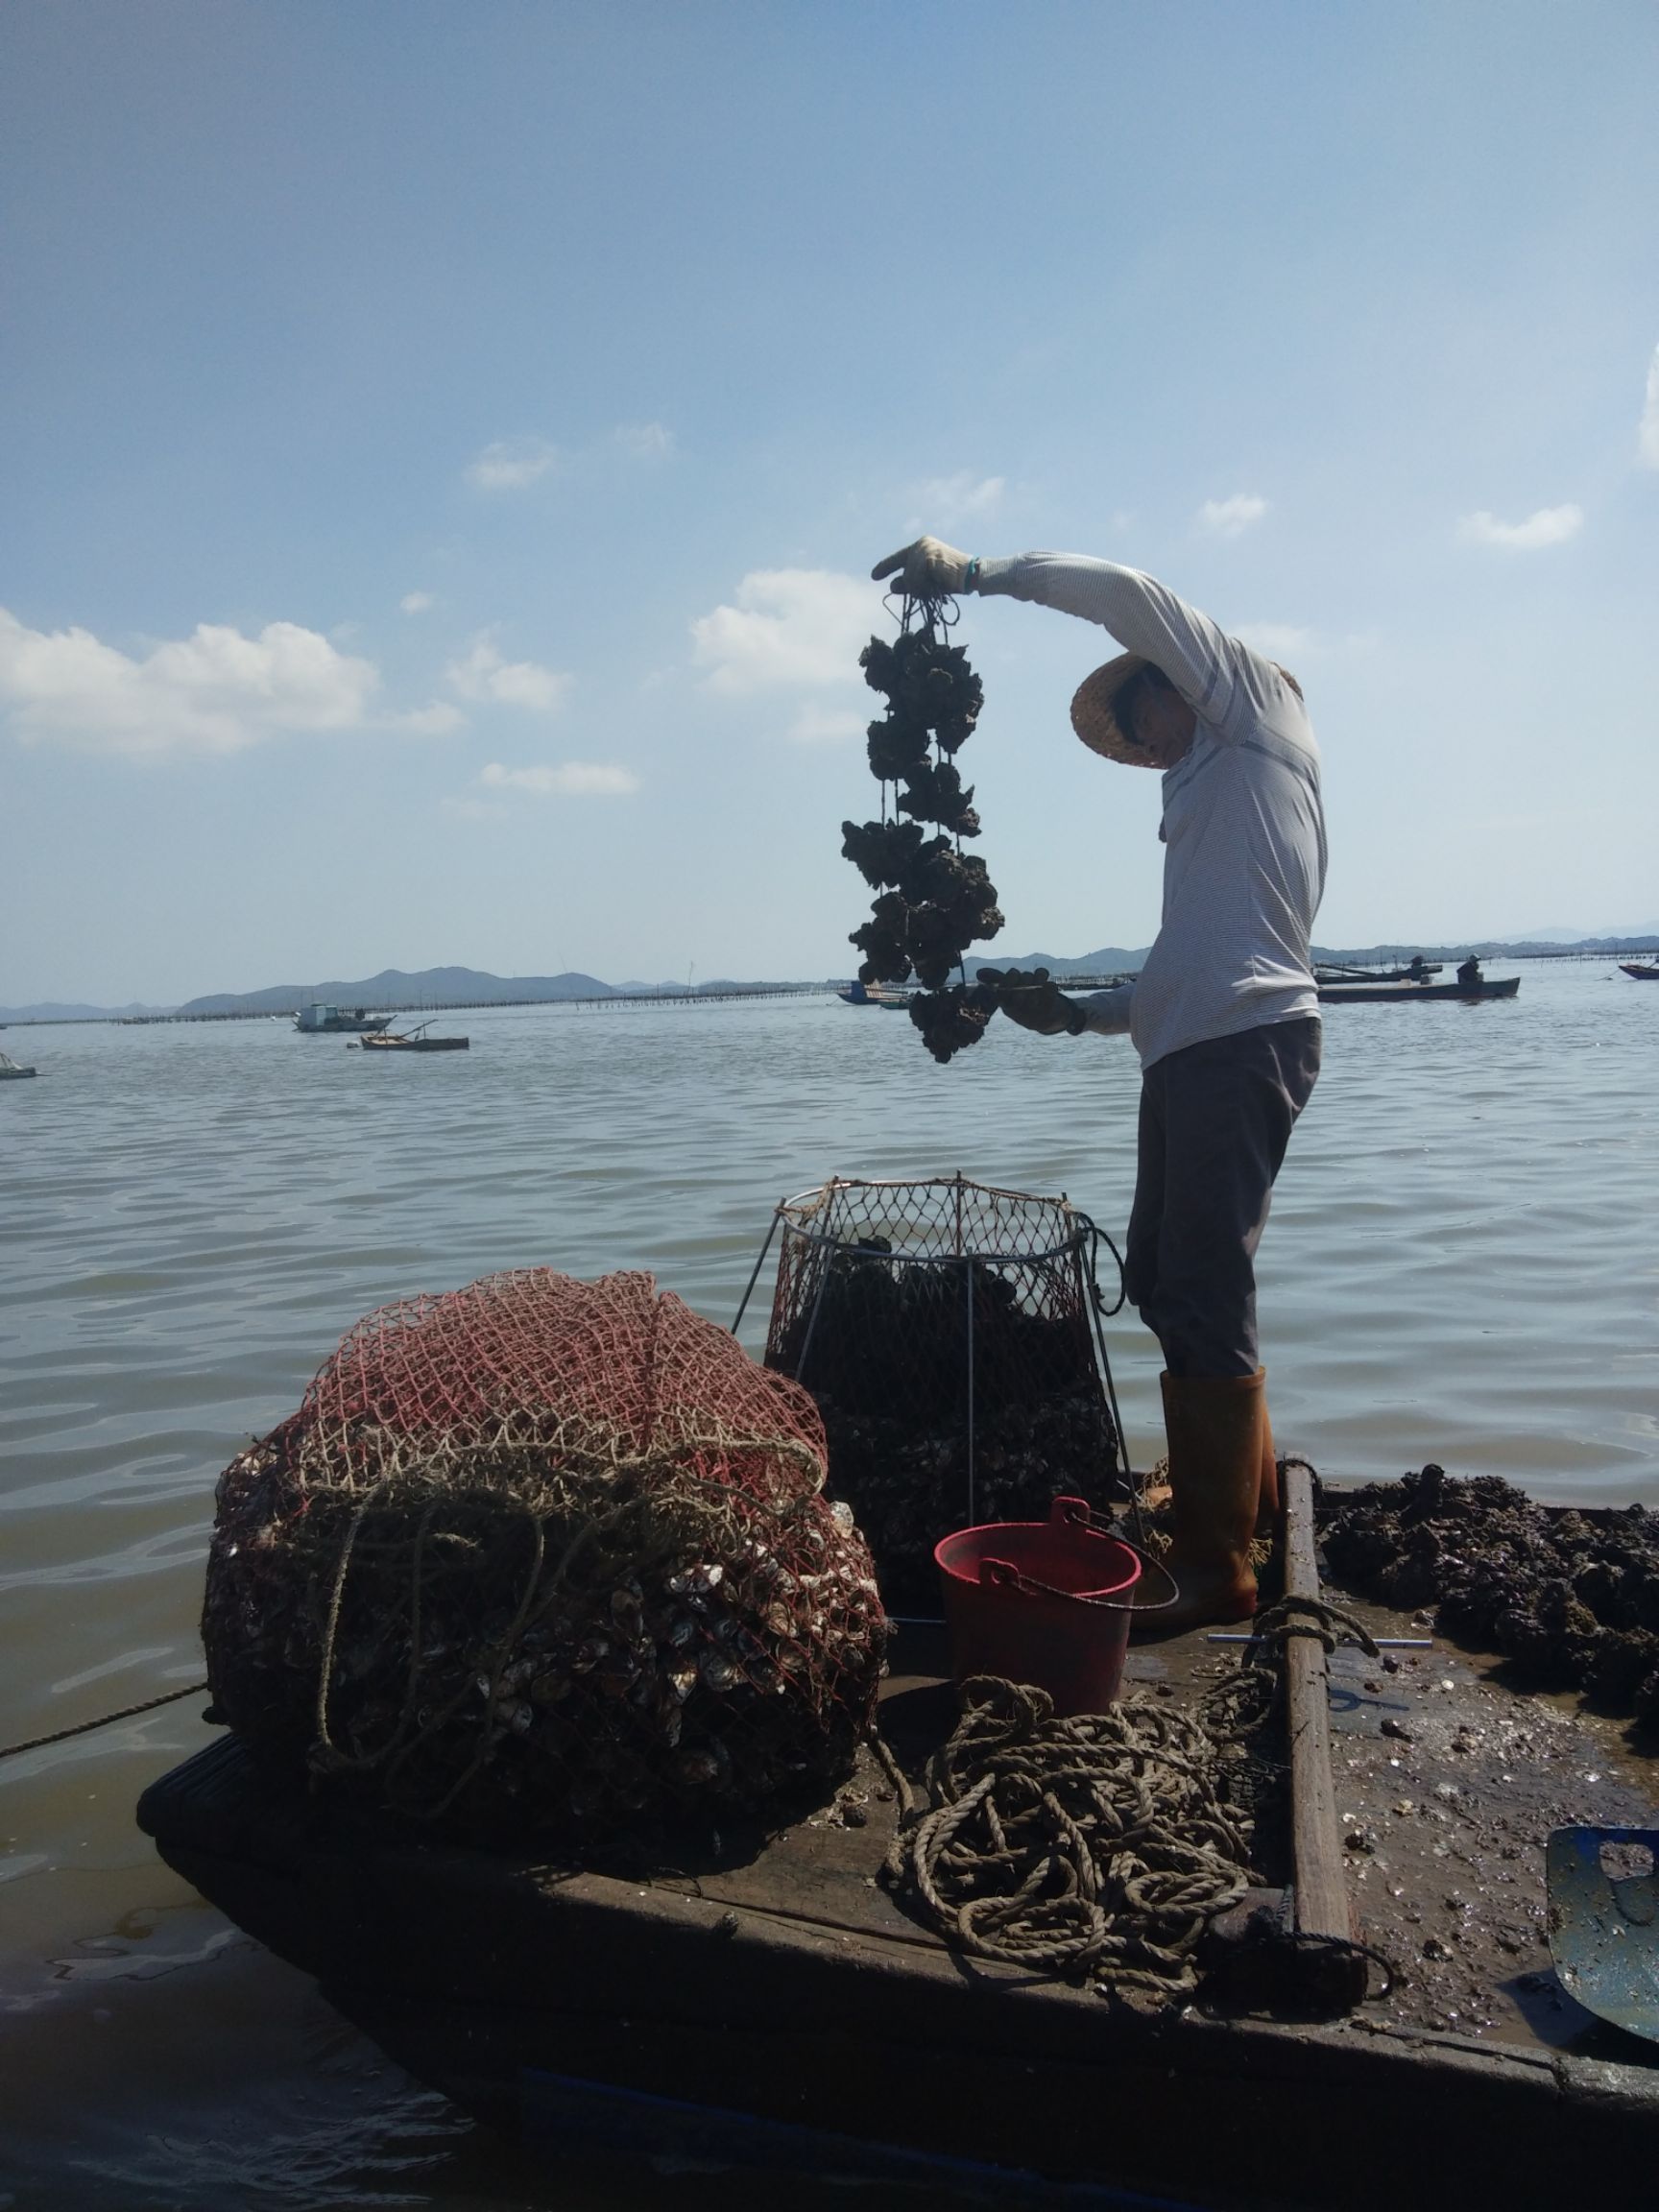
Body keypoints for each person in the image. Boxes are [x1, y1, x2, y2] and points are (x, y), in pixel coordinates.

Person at [872, 535, 1328, 1630]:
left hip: (1242, 1042)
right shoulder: (1205, 788)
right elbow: (1185, 962)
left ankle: (1217, 1567)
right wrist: (1076, 1014)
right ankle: (1252, 1512)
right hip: (1190, 1048)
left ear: (1179, 681)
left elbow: (1127, 593)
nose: (1142, 738)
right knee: (1169, 1276)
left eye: (1141, 710)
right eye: (1129, 730)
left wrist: (975, 575)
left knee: (1204, 1282)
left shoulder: (1253, 712)